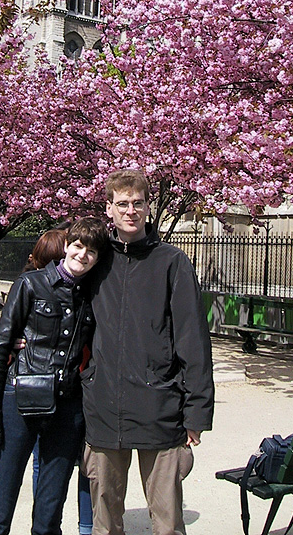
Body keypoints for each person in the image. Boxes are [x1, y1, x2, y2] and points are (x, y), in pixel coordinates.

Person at [81, 169, 215, 535]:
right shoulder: (96, 260)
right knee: (105, 523)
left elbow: (194, 341)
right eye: (122, 204)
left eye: (137, 203)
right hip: (106, 407)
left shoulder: (172, 263)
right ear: (108, 208)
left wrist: (197, 412)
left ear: (148, 208)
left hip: (159, 407)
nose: (130, 211)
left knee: (168, 522)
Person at [0, 217, 108, 535]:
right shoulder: (31, 285)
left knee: (50, 512)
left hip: (66, 407)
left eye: (91, 251)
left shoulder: (93, 296)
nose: (83, 255)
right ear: (67, 246)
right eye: (78, 246)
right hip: (20, 400)